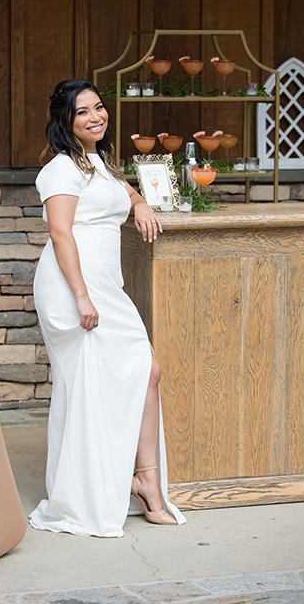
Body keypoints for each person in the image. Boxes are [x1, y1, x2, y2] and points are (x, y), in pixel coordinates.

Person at [28, 79, 186, 537]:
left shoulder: (97, 162)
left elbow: (121, 193)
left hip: (105, 284)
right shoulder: (61, 169)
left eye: (99, 107)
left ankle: (143, 479)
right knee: (96, 382)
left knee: (145, 370)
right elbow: (61, 233)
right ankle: (102, 491)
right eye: (83, 112)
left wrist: (138, 204)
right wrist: (80, 295)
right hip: (73, 285)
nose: (96, 116)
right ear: (65, 122)